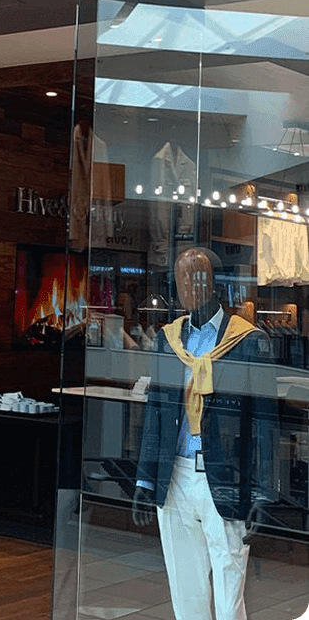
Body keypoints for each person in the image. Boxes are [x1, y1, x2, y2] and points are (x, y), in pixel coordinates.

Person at [132, 247, 277, 620]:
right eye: (181, 279)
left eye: (196, 278)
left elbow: (265, 421)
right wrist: (145, 479)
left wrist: (263, 490)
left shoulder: (247, 341)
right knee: (186, 592)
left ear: (214, 283)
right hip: (175, 475)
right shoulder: (168, 339)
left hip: (226, 476)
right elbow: (157, 410)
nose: (188, 287)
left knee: (229, 593)